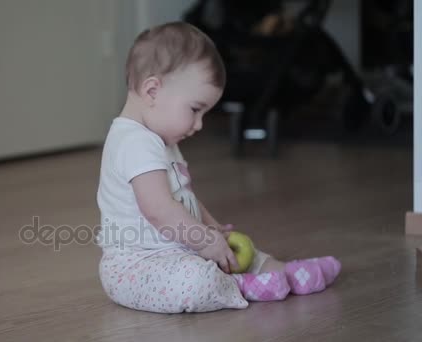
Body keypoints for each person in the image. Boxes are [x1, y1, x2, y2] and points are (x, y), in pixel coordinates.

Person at [96, 22, 340, 313]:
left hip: (178, 249)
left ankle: (282, 271)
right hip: (137, 268)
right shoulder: (134, 143)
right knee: (194, 279)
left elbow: (183, 198)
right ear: (152, 91)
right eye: (195, 110)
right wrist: (201, 239)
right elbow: (158, 210)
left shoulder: (160, 140)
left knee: (236, 250)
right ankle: (240, 286)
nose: (199, 125)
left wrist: (210, 229)